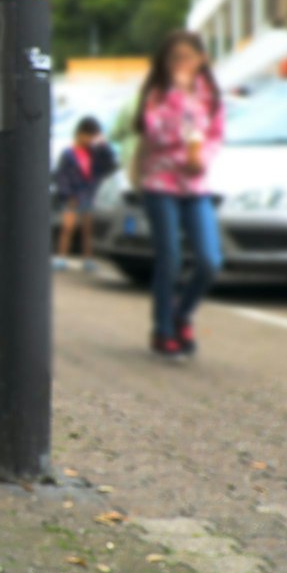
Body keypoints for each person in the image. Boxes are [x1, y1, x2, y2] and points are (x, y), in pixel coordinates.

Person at [131, 30, 225, 360]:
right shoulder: (158, 95)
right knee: (169, 258)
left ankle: (181, 314)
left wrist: (203, 159)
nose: (181, 64)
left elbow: (215, 136)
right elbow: (155, 133)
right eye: (174, 59)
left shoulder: (210, 95)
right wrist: (177, 98)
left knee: (210, 261)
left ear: (201, 60)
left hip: (195, 186)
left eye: (187, 57)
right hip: (161, 184)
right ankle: (163, 330)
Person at [53, 116, 117, 271]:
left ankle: (88, 258)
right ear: (80, 134)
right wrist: (67, 194)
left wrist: (104, 146)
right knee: (68, 228)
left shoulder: (95, 153)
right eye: (89, 135)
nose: (90, 140)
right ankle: (61, 257)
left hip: (88, 194)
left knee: (87, 230)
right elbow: (62, 176)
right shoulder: (68, 154)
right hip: (73, 196)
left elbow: (110, 165)